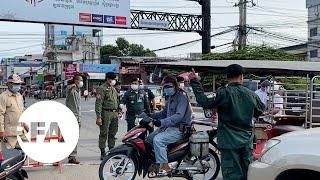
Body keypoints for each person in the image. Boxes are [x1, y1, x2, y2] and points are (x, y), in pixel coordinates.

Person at [189, 64, 265, 180]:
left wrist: (194, 81)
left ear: (227, 77)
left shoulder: (223, 93)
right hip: (246, 141)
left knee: (231, 174)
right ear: (241, 77)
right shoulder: (251, 94)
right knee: (247, 172)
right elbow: (259, 110)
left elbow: (204, 102)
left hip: (229, 141)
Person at [147, 76, 192, 175]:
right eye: (165, 87)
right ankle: (156, 162)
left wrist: (161, 122)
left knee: (158, 140)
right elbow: (163, 113)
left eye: (169, 86)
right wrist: (150, 115)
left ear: (175, 85)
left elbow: (178, 116)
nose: (167, 88)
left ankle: (165, 167)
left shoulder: (182, 97)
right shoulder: (171, 97)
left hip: (179, 129)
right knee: (149, 139)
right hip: (168, 127)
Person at [0, 74, 28, 150]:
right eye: (16, 84)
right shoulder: (3, 97)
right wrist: (1, 131)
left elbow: (21, 111)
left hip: (21, 130)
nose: (18, 86)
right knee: (12, 155)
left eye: (19, 84)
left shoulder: (19, 96)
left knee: (26, 151)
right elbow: (1, 114)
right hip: (10, 133)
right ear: (9, 84)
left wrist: (25, 124)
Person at [95, 72, 120, 160]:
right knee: (104, 133)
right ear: (107, 79)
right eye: (111, 79)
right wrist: (98, 117)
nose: (112, 81)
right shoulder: (101, 89)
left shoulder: (113, 89)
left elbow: (117, 101)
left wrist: (119, 111)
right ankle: (102, 152)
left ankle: (112, 150)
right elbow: (98, 104)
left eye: (113, 79)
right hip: (106, 113)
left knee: (113, 132)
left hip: (114, 113)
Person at [65, 74, 83, 164]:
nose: (82, 82)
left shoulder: (78, 90)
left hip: (78, 117)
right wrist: (71, 87)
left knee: (75, 137)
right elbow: (67, 89)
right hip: (71, 116)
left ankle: (72, 156)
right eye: (80, 80)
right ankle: (57, 155)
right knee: (65, 137)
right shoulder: (71, 88)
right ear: (75, 80)